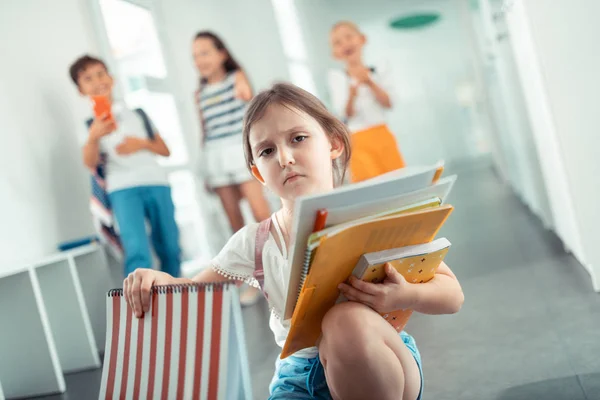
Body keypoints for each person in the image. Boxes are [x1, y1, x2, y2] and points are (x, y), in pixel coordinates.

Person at [124, 83, 464, 400]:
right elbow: (192, 292)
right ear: (257, 172)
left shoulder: (377, 216)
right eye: (267, 151)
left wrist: (405, 295)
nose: (284, 158)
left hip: (385, 362)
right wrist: (160, 279)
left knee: (343, 320)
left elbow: (452, 296)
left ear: (333, 144)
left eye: (298, 138)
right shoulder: (254, 242)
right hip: (300, 378)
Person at [69, 55, 181, 277]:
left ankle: (176, 302)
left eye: (101, 73)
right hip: (122, 190)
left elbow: (165, 150)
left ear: (111, 78)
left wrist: (141, 144)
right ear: (81, 90)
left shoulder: (137, 114)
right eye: (88, 78)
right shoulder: (88, 126)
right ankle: (141, 309)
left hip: (156, 182)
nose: (97, 81)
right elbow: (89, 163)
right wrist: (93, 138)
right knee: (138, 253)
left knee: (170, 247)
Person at [192, 31, 271, 305]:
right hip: (214, 156)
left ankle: (279, 268)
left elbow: (250, 104)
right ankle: (251, 279)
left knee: (261, 213)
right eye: (195, 56)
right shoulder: (199, 94)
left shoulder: (236, 77)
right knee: (235, 224)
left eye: (204, 52)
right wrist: (205, 172)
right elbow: (205, 132)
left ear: (221, 53)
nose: (199, 60)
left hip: (238, 150)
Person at [328, 21, 406, 183]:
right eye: (337, 42)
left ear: (362, 39)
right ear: (335, 53)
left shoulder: (380, 70)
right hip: (357, 139)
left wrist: (370, 83)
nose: (345, 44)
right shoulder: (336, 78)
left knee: (397, 180)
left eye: (349, 37)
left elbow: (389, 103)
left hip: (382, 133)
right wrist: (352, 94)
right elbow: (345, 115)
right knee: (369, 185)